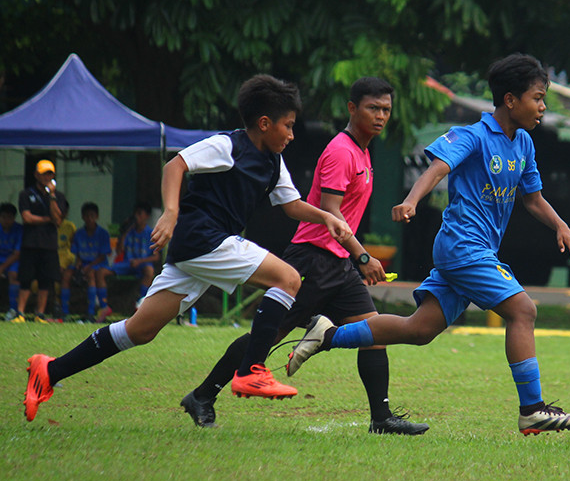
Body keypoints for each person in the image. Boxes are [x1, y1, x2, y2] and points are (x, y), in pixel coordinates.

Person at [286, 54, 570, 436]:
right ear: (510, 100)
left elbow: (533, 199)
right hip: (463, 247)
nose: (543, 107)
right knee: (523, 311)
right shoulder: (472, 135)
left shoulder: (524, 144)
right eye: (538, 97)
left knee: (420, 330)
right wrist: (412, 201)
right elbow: (438, 168)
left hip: (475, 251)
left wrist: (561, 226)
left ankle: (326, 335)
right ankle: (532, 410)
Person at [22, 74, 353, 422]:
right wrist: (170, 211)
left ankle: (50, 371)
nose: (291, 134)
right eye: (288, 126)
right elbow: (175, 164)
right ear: (264, 123)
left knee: (139, 330)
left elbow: (291, 205)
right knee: (287, 279)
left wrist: (326, 218)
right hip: (202, 238)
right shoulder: (229, 146)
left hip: (201, 249)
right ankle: (251, 370)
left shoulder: (273, 162)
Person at [181, 76, 428, 435]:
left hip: (337, 263)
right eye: (373, 108)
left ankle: (381, 418)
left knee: (372, 332)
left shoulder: (362, 151)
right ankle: (203, 396)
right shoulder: (342, 151)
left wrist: (352, 259)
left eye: (386, 110)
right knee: (267, 337)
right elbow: (331, 211)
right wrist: (362, 257)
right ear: (351, 108)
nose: (381, 116)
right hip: (312, 259)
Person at [13, 159, 68, 323]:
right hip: (30, 243)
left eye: (49, 173)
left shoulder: (58, 196)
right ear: (36, 174)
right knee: (25, 279)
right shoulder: (26, 194)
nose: (46, 176)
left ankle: (40, 314)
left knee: (46, 280)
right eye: (44, 173)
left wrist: (51, 196)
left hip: (49, 245)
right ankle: (20, 313)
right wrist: (46, 219)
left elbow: (58, 220)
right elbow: (27, 217)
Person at [106, 202, 159, 318]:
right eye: (136, 214)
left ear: (147, 216)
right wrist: (125, 232)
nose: (137, 217)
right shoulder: (129, 232)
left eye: (140, 214)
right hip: (127, 264)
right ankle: (102, 306)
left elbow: (156, 256)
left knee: (149, 271)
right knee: (101, 272)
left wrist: (140, 262)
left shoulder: (150, 234)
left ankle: (141, 304)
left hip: (141, 265)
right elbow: (119, 251)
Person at [60, 202, 113, 320]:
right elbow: (76, 252)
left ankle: (91, 311)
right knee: (66, 275)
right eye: (86, 216)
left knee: (91, 275)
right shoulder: (78, 233)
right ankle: (64, 311)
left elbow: (102, 255)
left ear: (97, 216)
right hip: (82, 264)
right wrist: (78, 262)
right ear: (82, 217)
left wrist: (89, 266)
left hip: (97, 264)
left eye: (92, 216)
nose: (89, 219)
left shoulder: (103, 233)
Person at [0, 202, 22, 320]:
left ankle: (13, 310)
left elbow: (17, 254)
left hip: (12, 261)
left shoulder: (19, 230)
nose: (6, 220)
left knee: (14, 274)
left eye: (9, 217)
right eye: (3, 217)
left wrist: (2, 268)